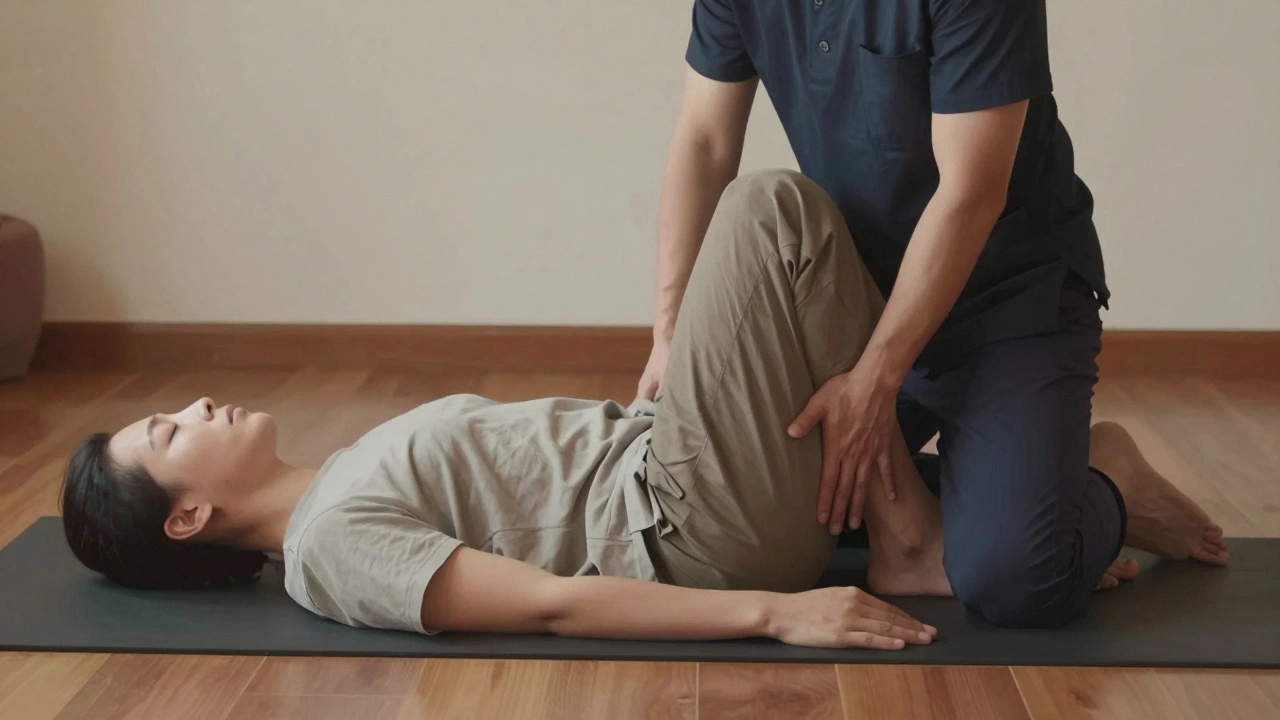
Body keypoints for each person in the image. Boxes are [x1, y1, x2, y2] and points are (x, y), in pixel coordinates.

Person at [62, 171, 1208, 652]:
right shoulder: (330, 552)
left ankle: (1089, 489)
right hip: (689, 527)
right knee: (767, 215)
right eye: (166, 434)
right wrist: (777, 616)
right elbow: (551, 605)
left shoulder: (344, 474)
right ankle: (920, 536)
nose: (191, 407)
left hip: (680, 468)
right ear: (187, 517)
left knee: (801, 228)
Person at [634, 2, 1229, 627]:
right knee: (757, 513)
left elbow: (971, 190)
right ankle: (1007, 494)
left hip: (1008, 300)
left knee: (1014, 582)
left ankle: (1112, 477)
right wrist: (668, 333)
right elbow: (704, 140)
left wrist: (873, 384)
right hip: (857, 294)